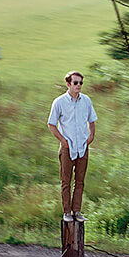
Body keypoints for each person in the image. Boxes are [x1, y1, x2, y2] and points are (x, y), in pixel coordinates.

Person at [47, 70, 97, 223]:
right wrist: (63, 141)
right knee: (66, 182)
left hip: (82, 147)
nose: (79, 85)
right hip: (68, 148)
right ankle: (67, 212)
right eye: (76, 83)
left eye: (81, 83)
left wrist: (91, 137)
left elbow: (92, 120)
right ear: (68, 84)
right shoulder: (59, 102)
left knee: (80, 181)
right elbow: (51, 124)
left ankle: (77, 211)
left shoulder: (86, 101)